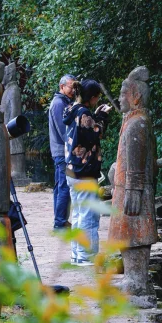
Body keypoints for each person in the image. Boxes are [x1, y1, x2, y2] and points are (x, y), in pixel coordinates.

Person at [63, 79, 113, 266]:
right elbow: (95, 134)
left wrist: (96, 115)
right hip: (84, 171)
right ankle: (86, 256)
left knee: (77, 214)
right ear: (92, 97)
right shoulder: (84, 113)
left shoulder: (71, 109)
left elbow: (87, 129)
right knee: (88, 216)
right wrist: (102, 117)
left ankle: (77, 254)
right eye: (96, 98)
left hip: (72, 170)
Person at [48, 75, 77, 231]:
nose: (73, 90)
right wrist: (74, 146)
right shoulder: (59, 103)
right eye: (70, 86)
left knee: (60, 186)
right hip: (62, 151)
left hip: (61, 150)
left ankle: (60, 220)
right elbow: (63, 130)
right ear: (62, 86)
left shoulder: (64, 102)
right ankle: (60, 222)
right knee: (64, 186)